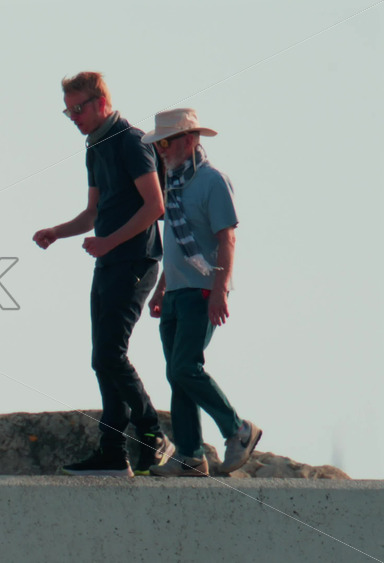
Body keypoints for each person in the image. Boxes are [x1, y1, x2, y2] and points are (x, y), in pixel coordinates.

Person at [33, 72, 174, 476]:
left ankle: (152, 433)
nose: (73, 116)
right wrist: (57, 232)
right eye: (68, 110)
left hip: (135, 261)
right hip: (109, 261)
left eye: (78, 108)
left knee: (111, 353)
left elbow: (154, 206)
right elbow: (93, 213)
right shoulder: (94, 148)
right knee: (102, 359)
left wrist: (108, 242)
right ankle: (113, 452)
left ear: (101, 102)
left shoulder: (131, 141)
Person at [141, 108, 262, 477]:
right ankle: (191, 456)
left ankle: (238, 430)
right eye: (158, 143)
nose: (161, 149)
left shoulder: (212, 181)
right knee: (176, 375)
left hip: (202, 291)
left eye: (166, 142)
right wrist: (161, 288)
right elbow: (177, 246)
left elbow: (227, 238)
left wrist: (220, 290)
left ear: (189, 140)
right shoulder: (173, 186)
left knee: (184, 367)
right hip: (177, 292)